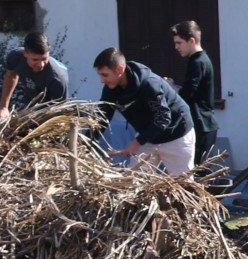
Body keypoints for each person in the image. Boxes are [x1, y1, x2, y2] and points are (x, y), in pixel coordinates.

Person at [93, 46, 194, 176]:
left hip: (176, 133)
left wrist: (135, 144)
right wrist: (87, 141)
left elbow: (163, 118)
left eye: (105, 75)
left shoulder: (148, 83)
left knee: (183, 184)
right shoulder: (110, 88)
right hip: (147, 137)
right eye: (100, 75)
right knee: (134, 182)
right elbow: (102, 117)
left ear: (119, 69)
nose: (102, 80)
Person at [170, 21, 219, 168]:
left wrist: (170, 87)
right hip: (203, 124)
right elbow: (192, 90)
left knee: (198, 172)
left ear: (191, 40)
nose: (176, 47)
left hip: (202, 125)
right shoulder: (199, 60)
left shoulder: (197, 62)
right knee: (196, 171)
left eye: (179, 42)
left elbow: (186, 94)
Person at [0, 31, 69, 121]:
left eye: (44, 59)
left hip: (50, 110)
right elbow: (11, 75)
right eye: (35, 59)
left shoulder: (58, 78)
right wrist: (3, 107)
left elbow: (60, 111)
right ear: (25, 54)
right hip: (30, 104)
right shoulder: (15, 58)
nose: (41, 64)